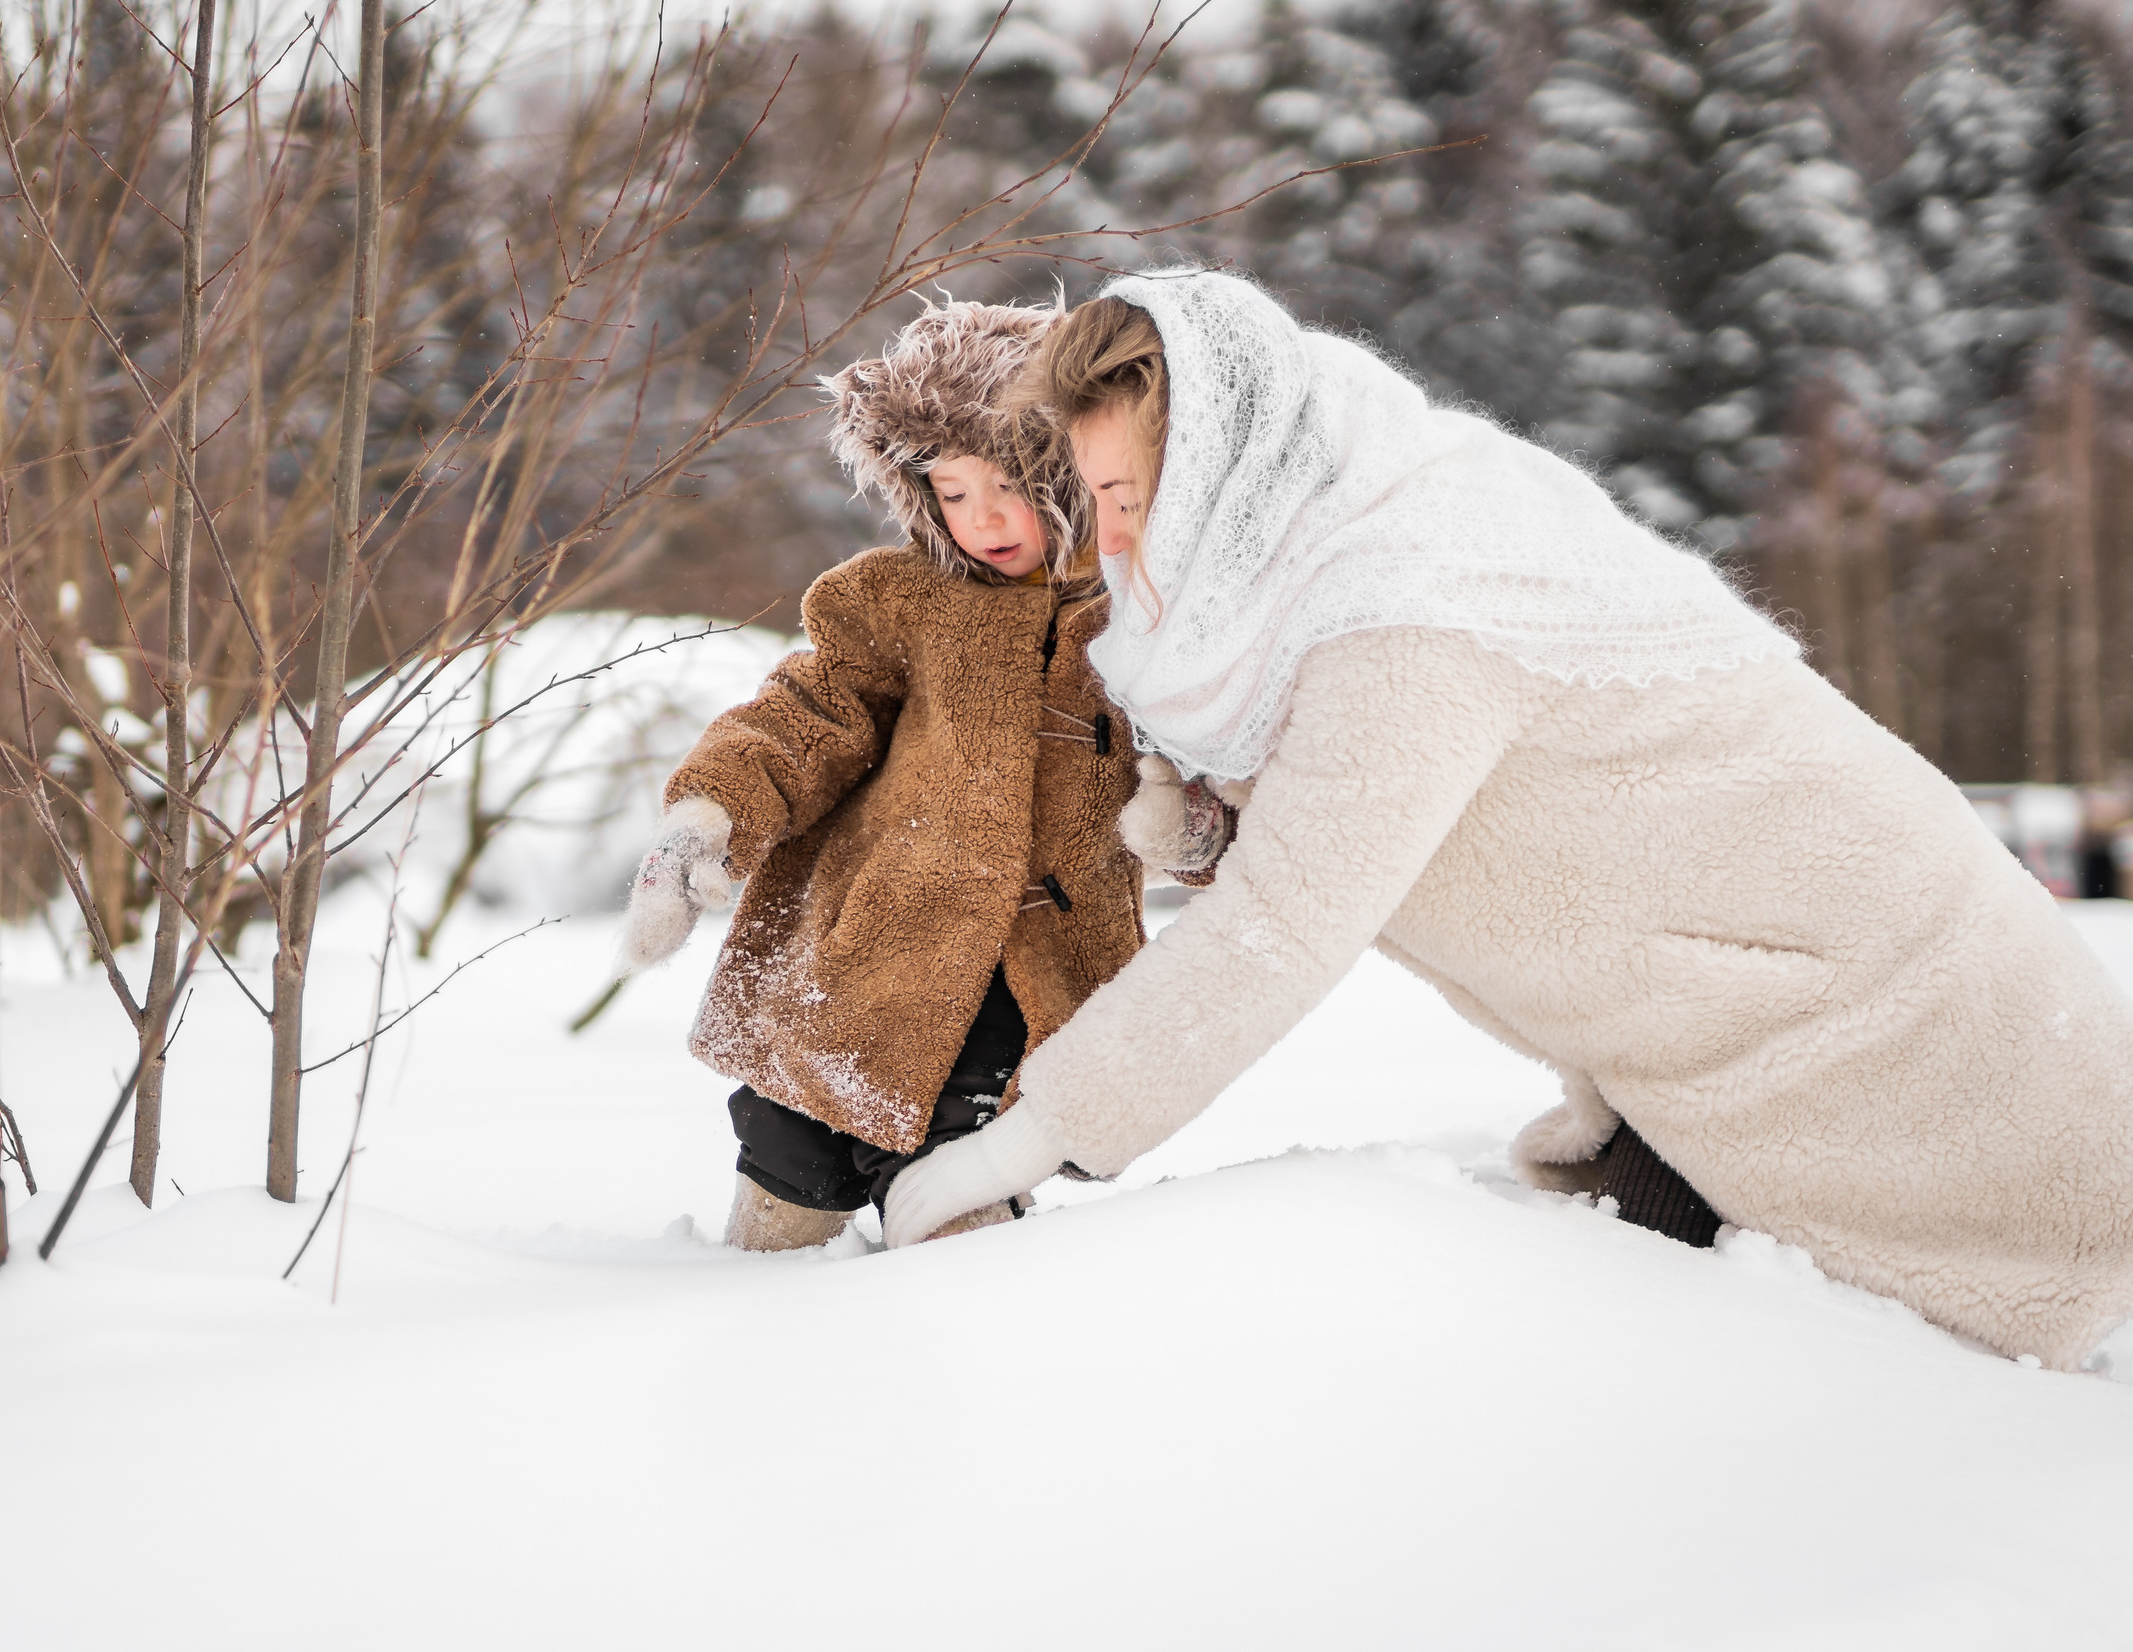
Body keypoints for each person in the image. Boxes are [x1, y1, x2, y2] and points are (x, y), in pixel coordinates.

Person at [883, 265, 2133, 1371]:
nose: (1105, 537)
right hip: (1720, 1044)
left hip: (1898, 1045)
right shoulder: (1366, 526)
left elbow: (1279, 932)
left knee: (1860, 1385)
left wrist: (1014, 1146)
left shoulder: (1408, 607)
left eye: (1129, 493)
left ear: (1229, 470)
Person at [615, 297, 1229, 1252]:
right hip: (862, 960)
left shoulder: (1148, 613)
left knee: (958, 1201)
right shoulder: (899, 601)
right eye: (950, 491)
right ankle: (746, 1329)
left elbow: (1220, 765)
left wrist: (1196, 826)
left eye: (1008, 487)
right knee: (788, 1165)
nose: (980, 520)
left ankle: (961, 1360)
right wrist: (709, 814)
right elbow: (809, 715)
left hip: (1025, 985)